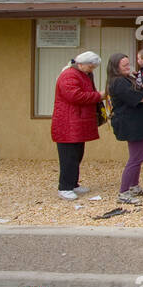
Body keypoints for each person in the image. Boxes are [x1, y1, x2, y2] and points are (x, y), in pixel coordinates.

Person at [105, 52, 143, 205]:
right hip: (130, 124)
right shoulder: (118, 82)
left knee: (139, 155)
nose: (128, 67)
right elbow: (137, 97)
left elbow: (141, 89)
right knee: (135, 158)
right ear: (115, 67)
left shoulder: (126, 79)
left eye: (128, 64)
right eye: (124, 65)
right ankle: (124, 192)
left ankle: (134, 186)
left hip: (137, 123)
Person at [51, 51, 104, 200]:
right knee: (68, 156)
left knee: (77, 154)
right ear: (81, 64)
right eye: (91, 67)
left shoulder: (81, 74)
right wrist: (98, 96)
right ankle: (64, 187)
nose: (92, 70)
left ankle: (73, 183)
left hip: (77, 122)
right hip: (68, 122)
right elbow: (75, 96)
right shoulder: (69, 75)